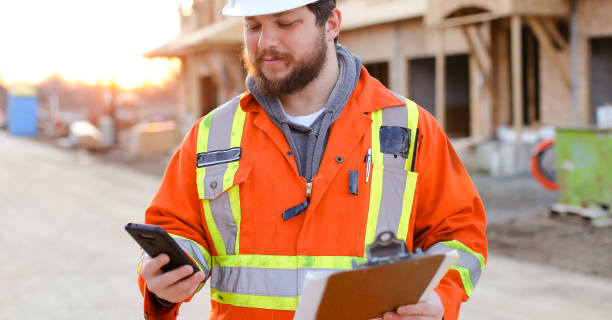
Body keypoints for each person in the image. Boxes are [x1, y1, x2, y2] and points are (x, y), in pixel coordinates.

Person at [137, 0, 487, 319]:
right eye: (253, 25)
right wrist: (164, 284)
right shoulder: (211, 134)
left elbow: (460, 235)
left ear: (331, 23)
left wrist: (440, 298)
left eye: (286, 23)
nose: (265, 43)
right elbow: (178, 231)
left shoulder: (408, 128)